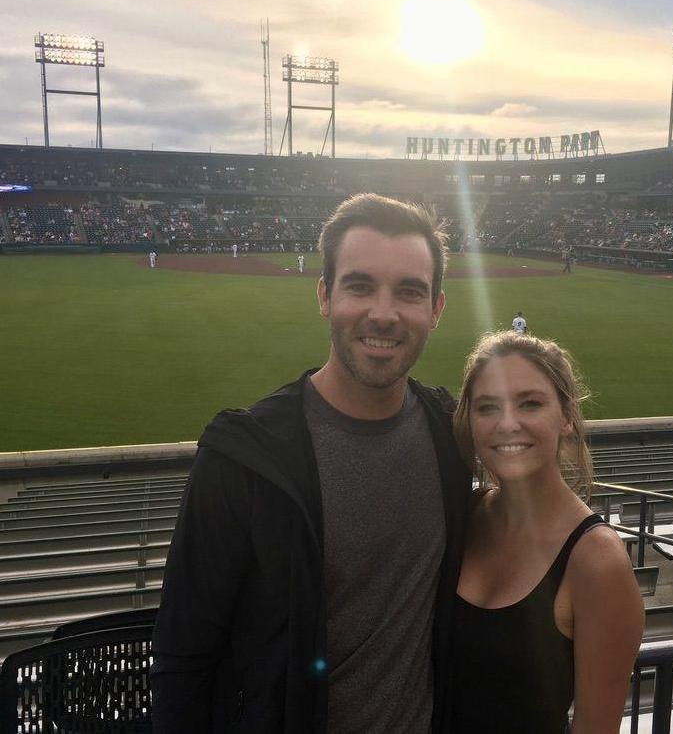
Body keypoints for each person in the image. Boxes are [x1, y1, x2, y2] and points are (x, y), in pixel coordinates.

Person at [151, 193, 472, 734]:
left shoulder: (452, 434)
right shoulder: (241, 458)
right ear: (324, 295)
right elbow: (184, 655)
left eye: (409, 292)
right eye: (359, 284)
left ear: (436, 309)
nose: (384, 313)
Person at [450, 332, 643, 734]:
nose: (507, 424)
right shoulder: (462, 516)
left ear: (566, 416)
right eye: (488, 407)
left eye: (530, 403)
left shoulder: (596, 560)